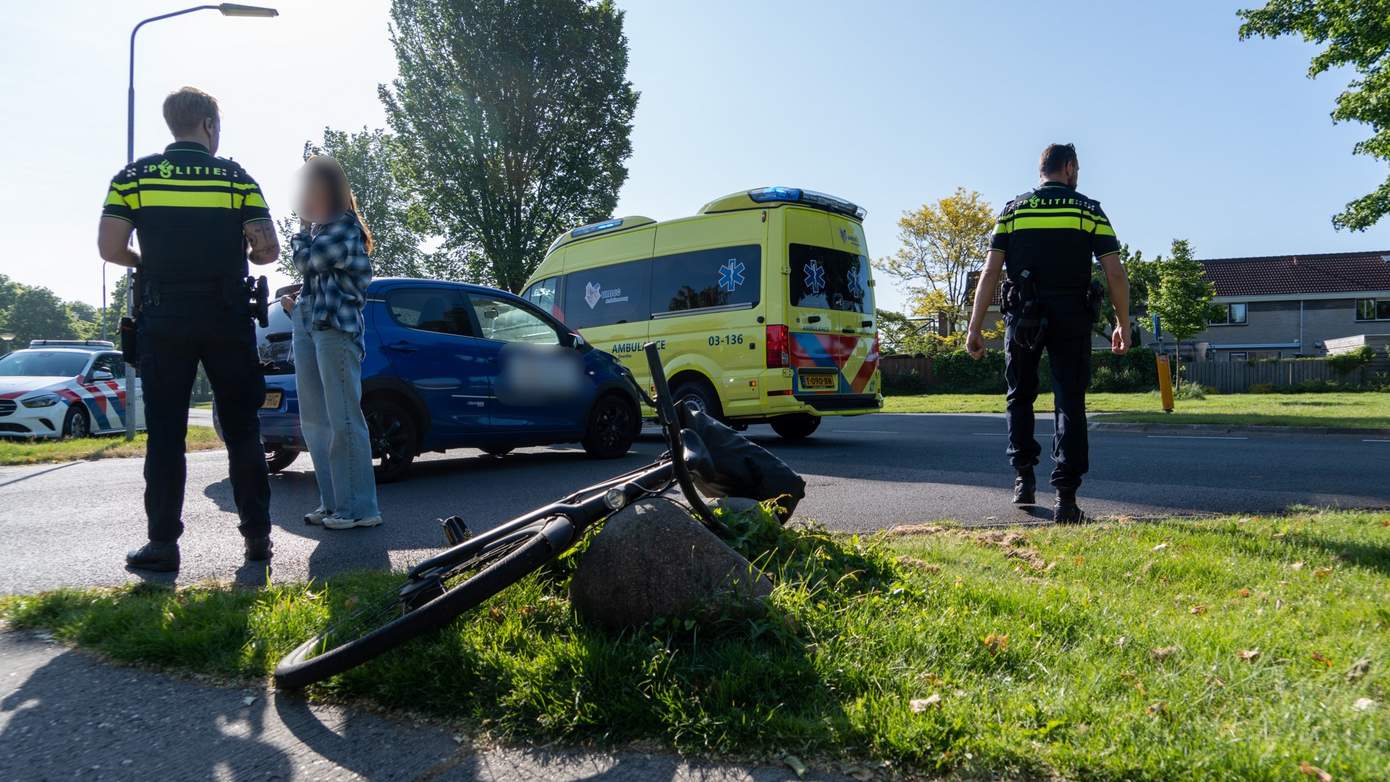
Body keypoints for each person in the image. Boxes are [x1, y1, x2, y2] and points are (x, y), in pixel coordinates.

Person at [97, 86, 279, 571]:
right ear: (210, 126)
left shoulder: (133, 178)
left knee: (165, 433)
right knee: (243, 430)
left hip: (163, 317)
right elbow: (267, 252)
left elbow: (111, 248)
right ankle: (257, 538)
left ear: (170, 123)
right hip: (227, 316)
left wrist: (150, 262)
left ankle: (163, 545)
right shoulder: (236, 178)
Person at [964, 143, 1130, 523]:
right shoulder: (1088, 210)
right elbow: (1115, 272)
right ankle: (1066, 500)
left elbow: (990, 272)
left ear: (1041, 170)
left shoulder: (1013, 210)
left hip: (1023, 317)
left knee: (1019, 395)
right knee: (1069, 402)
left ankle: (1023, 479)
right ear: (1069, 167)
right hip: (1072, 317)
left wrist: (974, 327)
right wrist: (1122, 323)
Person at [279, 156, 381, 530]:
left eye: (312, 188)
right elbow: (315, 277)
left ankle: (360, 508)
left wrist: (301, 229)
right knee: (315, 422)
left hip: (336, 331)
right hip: (312, 324)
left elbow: (309, 263)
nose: (306, 195)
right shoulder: (325, 231)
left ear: (330, 190)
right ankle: (334, 502)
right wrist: (299, 303)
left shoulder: (343, 227)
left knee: (343, 419)